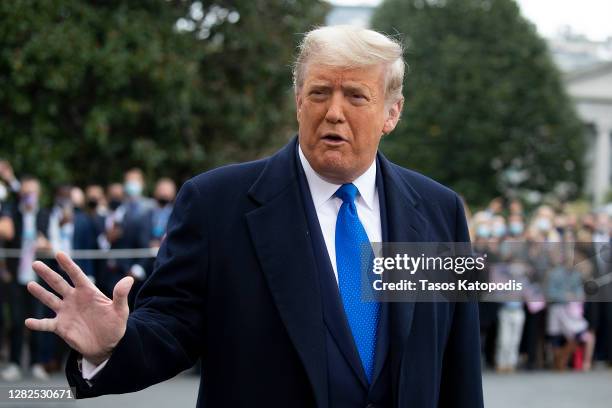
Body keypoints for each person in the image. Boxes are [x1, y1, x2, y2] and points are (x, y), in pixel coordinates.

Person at [25, 26, 483, 407]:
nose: (334, 113)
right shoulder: (217, 204)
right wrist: (113, 345)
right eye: (319, 92)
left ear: (392, 112)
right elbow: (172, 326)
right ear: (298, 101)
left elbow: (458, 364)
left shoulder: (438, 210)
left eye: (357, 97)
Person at [1, 176, 52, 381]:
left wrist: (45, 244)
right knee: (16, 319)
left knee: (38, 319)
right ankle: (14, 362)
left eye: (32, 192)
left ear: (38, 194)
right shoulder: (11, 213)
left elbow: (54, 243)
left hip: (37, 275)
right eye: (25, 192)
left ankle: (36, 363)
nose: (28, 196)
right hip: (14, 275)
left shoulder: (46, 215)